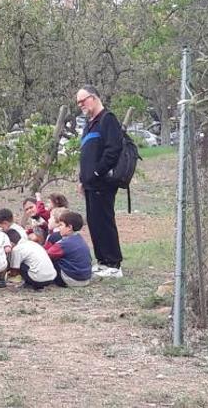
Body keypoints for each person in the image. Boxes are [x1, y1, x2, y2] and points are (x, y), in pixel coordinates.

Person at [76, 85, 124, 278]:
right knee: (94, 222)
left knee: (105, 221)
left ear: (94, 98)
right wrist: (82, 179)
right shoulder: (90, 124)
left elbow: (113, 150)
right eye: (78, 102)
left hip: (103, 182)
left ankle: (114, 263)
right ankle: (102, 261)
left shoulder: (108, 119)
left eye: (83, 100)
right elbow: (86, 154)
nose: (81, 105)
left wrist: (97, 172)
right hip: (89, 184)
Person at [46, 211, 93, 287]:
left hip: (72, 280)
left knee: (50, 260)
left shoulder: (64, 243)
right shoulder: (79, 238)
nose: (58, 227)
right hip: (86, 279)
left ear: (69, 227)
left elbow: (46, 255)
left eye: (61, 225)